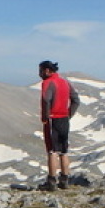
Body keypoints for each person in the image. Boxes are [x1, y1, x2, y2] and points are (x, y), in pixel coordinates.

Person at [38, 60, 80, 190]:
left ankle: (51, 182)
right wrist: (68, 114)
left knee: (52, 151)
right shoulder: (65, 82)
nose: (39, 73)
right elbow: (76, 100)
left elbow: (46, 99)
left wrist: (45, 116)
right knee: (63, 151)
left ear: (46, 71)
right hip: (64, 119)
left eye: (40, 70)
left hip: (53, 119)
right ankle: (64, 180)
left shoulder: (47, 82)